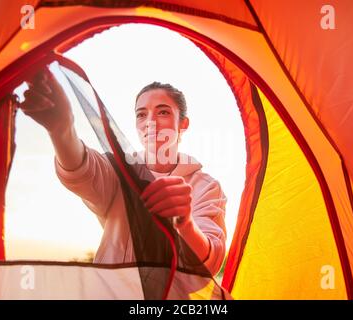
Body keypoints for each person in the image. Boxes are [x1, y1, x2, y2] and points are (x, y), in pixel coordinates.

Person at [20, 67, 227, 276]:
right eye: (141, 115)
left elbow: (210, 262)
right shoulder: (119, 170)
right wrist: (61, 129)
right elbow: (83, 171)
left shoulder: (206, 186)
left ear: (183, 123)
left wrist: (186, 222)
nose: (150, 122)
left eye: (163, 112)